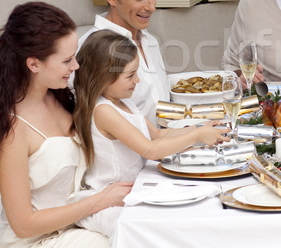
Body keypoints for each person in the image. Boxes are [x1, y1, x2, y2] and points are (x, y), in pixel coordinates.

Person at [0, 2, 132, 247]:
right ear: (34, 64)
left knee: (143, 226)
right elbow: (23, 225)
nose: (76, 66)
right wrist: (100, 200)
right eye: (67, 60)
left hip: (82, 223)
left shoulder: (60, 97)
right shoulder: (12, 129)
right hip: (39, 240)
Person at [72, 30, 230, 239]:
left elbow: (155, 135)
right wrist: (197, 136)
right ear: (103, 77)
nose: (137, 80)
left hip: (135, 187)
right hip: (110, 201)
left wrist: (200, 128)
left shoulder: (123, 102)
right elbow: (150, 150)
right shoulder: (103, 111)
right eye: (130, 75)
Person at [77, 0, 168, 126]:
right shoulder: (90, 49)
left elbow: (159, 106)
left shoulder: (151, 41)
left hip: (169, 141)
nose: (151, 7)